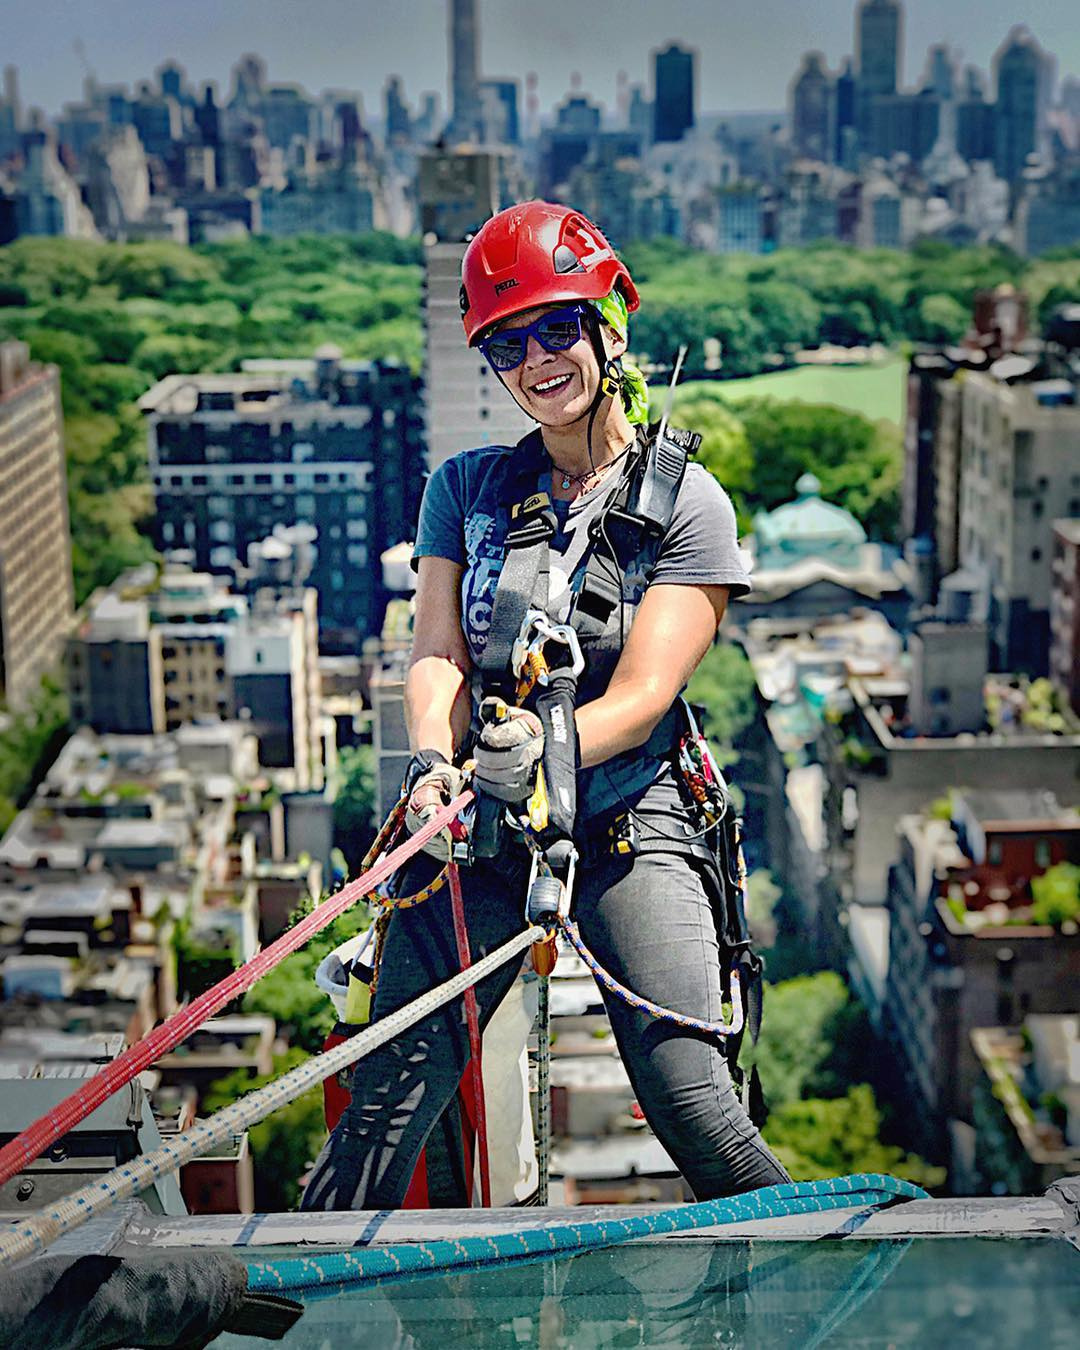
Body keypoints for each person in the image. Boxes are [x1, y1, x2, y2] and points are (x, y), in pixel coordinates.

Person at [302, 201, 790, 1212]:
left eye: (557, 330)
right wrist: (442, 763)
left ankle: (823, 1276)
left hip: (626, 812)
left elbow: (650, 691)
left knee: (690, 1094)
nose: (536, 362)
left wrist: (547, 745)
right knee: (389, 1097)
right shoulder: (468, 487)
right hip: (478, 811)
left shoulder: (687, 504)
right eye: (509, 346)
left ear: (609, 329)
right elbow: (435, 651)